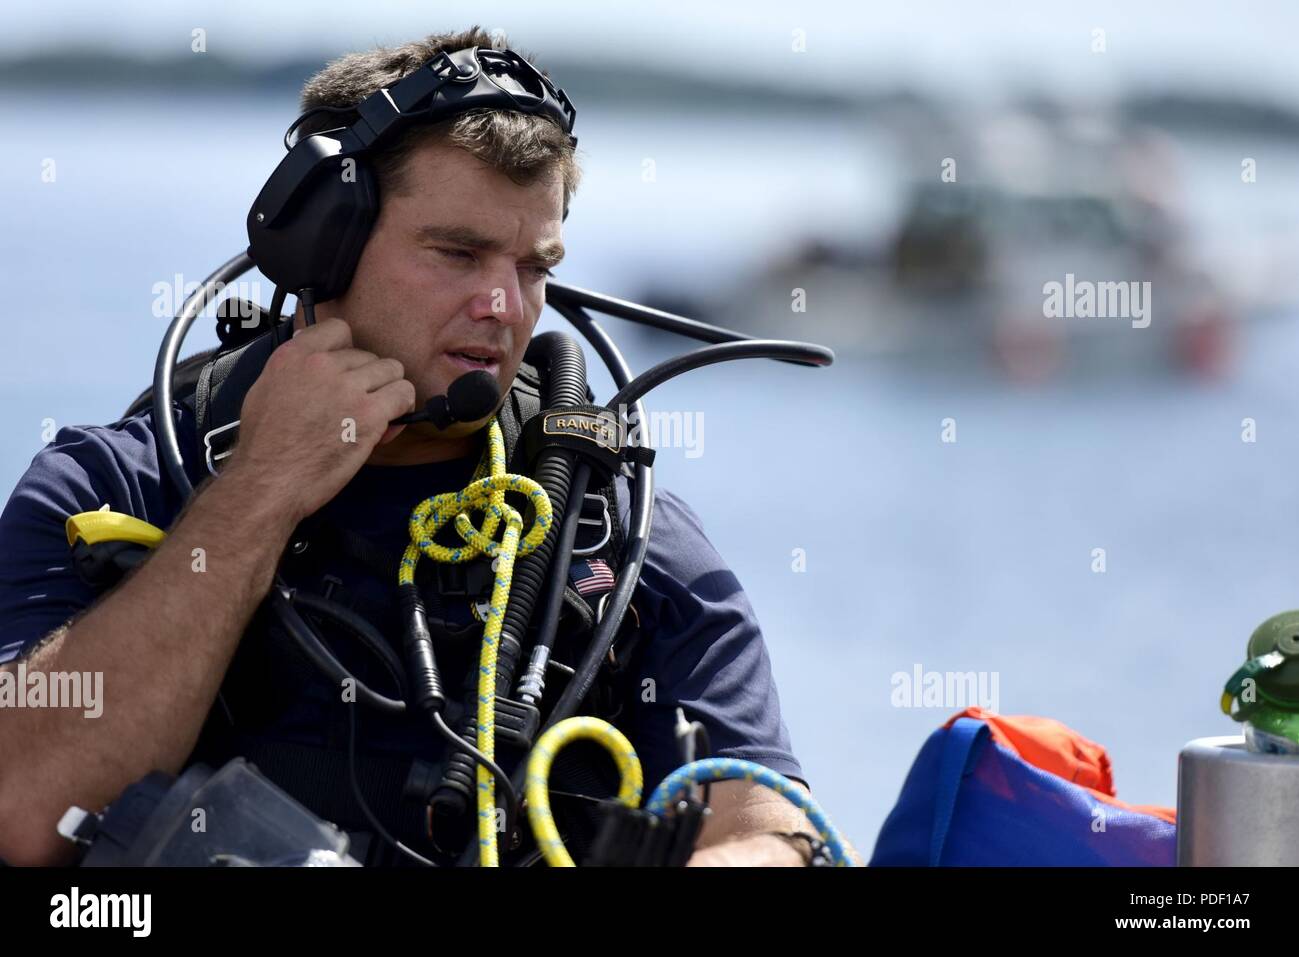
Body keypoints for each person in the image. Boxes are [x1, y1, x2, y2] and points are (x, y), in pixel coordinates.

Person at [0, 26, 849, 867]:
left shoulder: (620, 538)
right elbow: (25, 811)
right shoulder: (116, 486)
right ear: (321, 242)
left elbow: (765, 832)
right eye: (457, 253)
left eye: (532, 265)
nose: (504, 306)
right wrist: (261, 487)